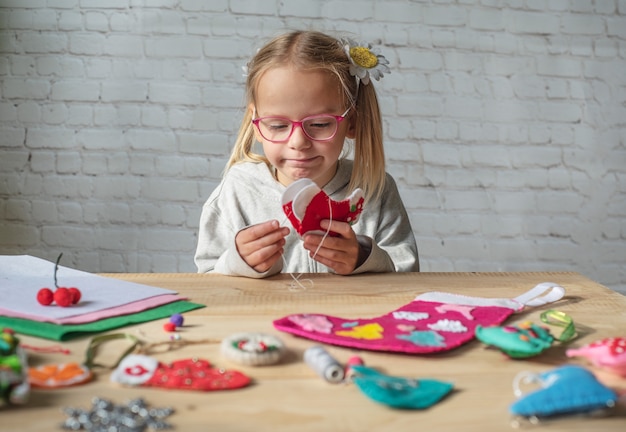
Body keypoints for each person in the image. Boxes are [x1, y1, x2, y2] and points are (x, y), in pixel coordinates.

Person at [195, 30, 419, 278]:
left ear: (352, 123)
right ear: (255, 123)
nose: (298, 142)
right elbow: (207, 278)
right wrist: (238, 263)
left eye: (320, 124)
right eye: (278, 125)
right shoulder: (237, 191)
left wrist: (364, 258)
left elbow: (407, 276)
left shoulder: (376, 191)